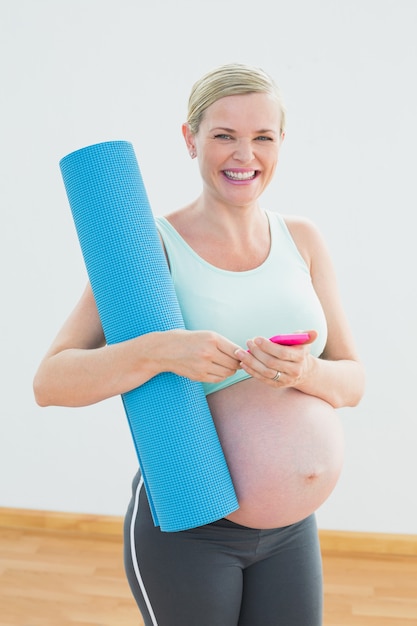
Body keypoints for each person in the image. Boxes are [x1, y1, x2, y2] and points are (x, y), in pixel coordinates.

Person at [33, 62, 365, 626]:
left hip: (290, 530)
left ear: (281, 142)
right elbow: (50, 382)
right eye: (224, 136)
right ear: (190, 140)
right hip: (191, 522)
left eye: (262, 137)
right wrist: (160, 351)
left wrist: (302, 372)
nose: (245, 155)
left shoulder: (302, 239)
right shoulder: (148, 249)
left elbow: (352, 379)